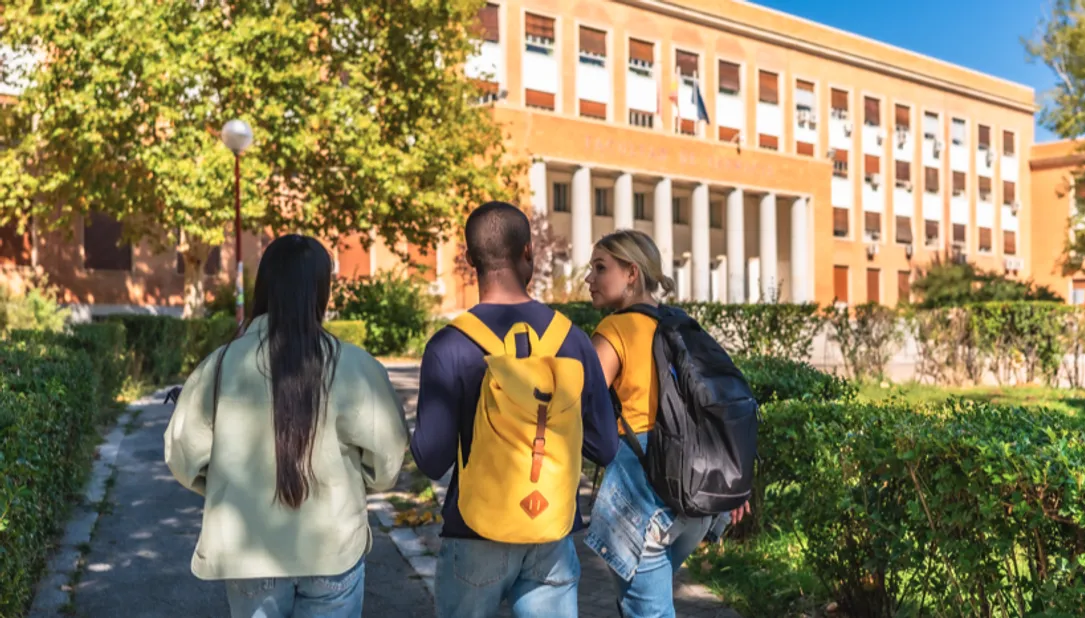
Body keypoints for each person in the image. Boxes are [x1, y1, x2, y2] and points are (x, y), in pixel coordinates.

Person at [164, 234, 410, 618]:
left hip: (250, 554)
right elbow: (388, 461)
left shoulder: (220, 363)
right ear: (322, 290)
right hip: (333, 548)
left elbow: (182, 455)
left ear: (264, 286)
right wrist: (361, 480)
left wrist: (219, 485)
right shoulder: (355, 366)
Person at [411, 201, 619, 618]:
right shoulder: (572, 341)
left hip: (473, 532)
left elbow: (432, 461)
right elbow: (605, 447)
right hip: (550, 532)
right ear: (529, 252)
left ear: (471, 261)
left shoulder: (449, 345)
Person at [582, 229, 751, 617]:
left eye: (600, 267)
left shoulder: (614, 330)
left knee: (648, 611)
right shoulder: (679, 324)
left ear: (631, 273)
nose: (589, 279)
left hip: (643, 492)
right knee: (641, 604)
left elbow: (579, 405)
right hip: (694, 492)